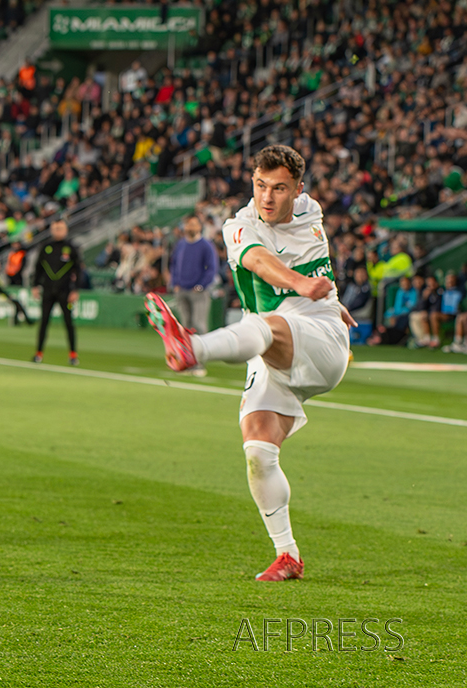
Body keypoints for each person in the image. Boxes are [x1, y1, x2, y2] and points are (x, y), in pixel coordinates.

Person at [145, 145, 355, 582]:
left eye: (279, 188)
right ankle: (287, 555)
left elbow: (300, 268)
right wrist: (304, 283)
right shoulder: (238, 227)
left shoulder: (310, 213)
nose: (267, 197)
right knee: (258, 450)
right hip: (273, 349)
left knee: (267, 324)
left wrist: (321, 294)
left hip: (321, 340)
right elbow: (260, 261)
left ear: (299, 190)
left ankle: (193, 348)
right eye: (260, 185)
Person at [168, 214, 220, 375]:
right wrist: (175, 283)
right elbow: (174, 265)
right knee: (184, 327)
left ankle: (199, 363)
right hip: (182, 290)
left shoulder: (206, 245)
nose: (189, 228)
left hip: (198, 292)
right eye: (187, 224)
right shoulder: (181, 244)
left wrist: (201, 285)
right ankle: (186, 361)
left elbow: (212, 268)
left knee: (199, 326)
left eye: (192, 224)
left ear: (199, 227)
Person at [31, 220, 82, 365]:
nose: (57, 231)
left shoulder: (71, 248)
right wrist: (35, 286)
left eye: (60, 228)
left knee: (69, 323)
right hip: (47, 290)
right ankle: (38, 353)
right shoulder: (46, 247)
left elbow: (78, 269)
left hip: (65, 291)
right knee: (44, 322)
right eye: (55, 228)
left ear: (66, 230)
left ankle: (73, 354)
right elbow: (38, 268)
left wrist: (75, 290)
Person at [0, 260, 32, 325]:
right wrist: (7, 295)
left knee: (16, 302)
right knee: (16, 302)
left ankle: (19, 321)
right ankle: (22, 321)